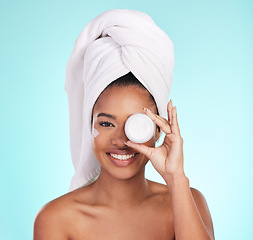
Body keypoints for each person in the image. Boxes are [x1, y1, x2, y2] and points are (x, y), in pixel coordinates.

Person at [33, 9, 215, 240]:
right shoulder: (57, 218)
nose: (121, 141)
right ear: (90, 127)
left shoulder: (187, 202)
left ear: (159, 129)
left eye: (137, 124)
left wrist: (176, 177)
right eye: (107, 123)